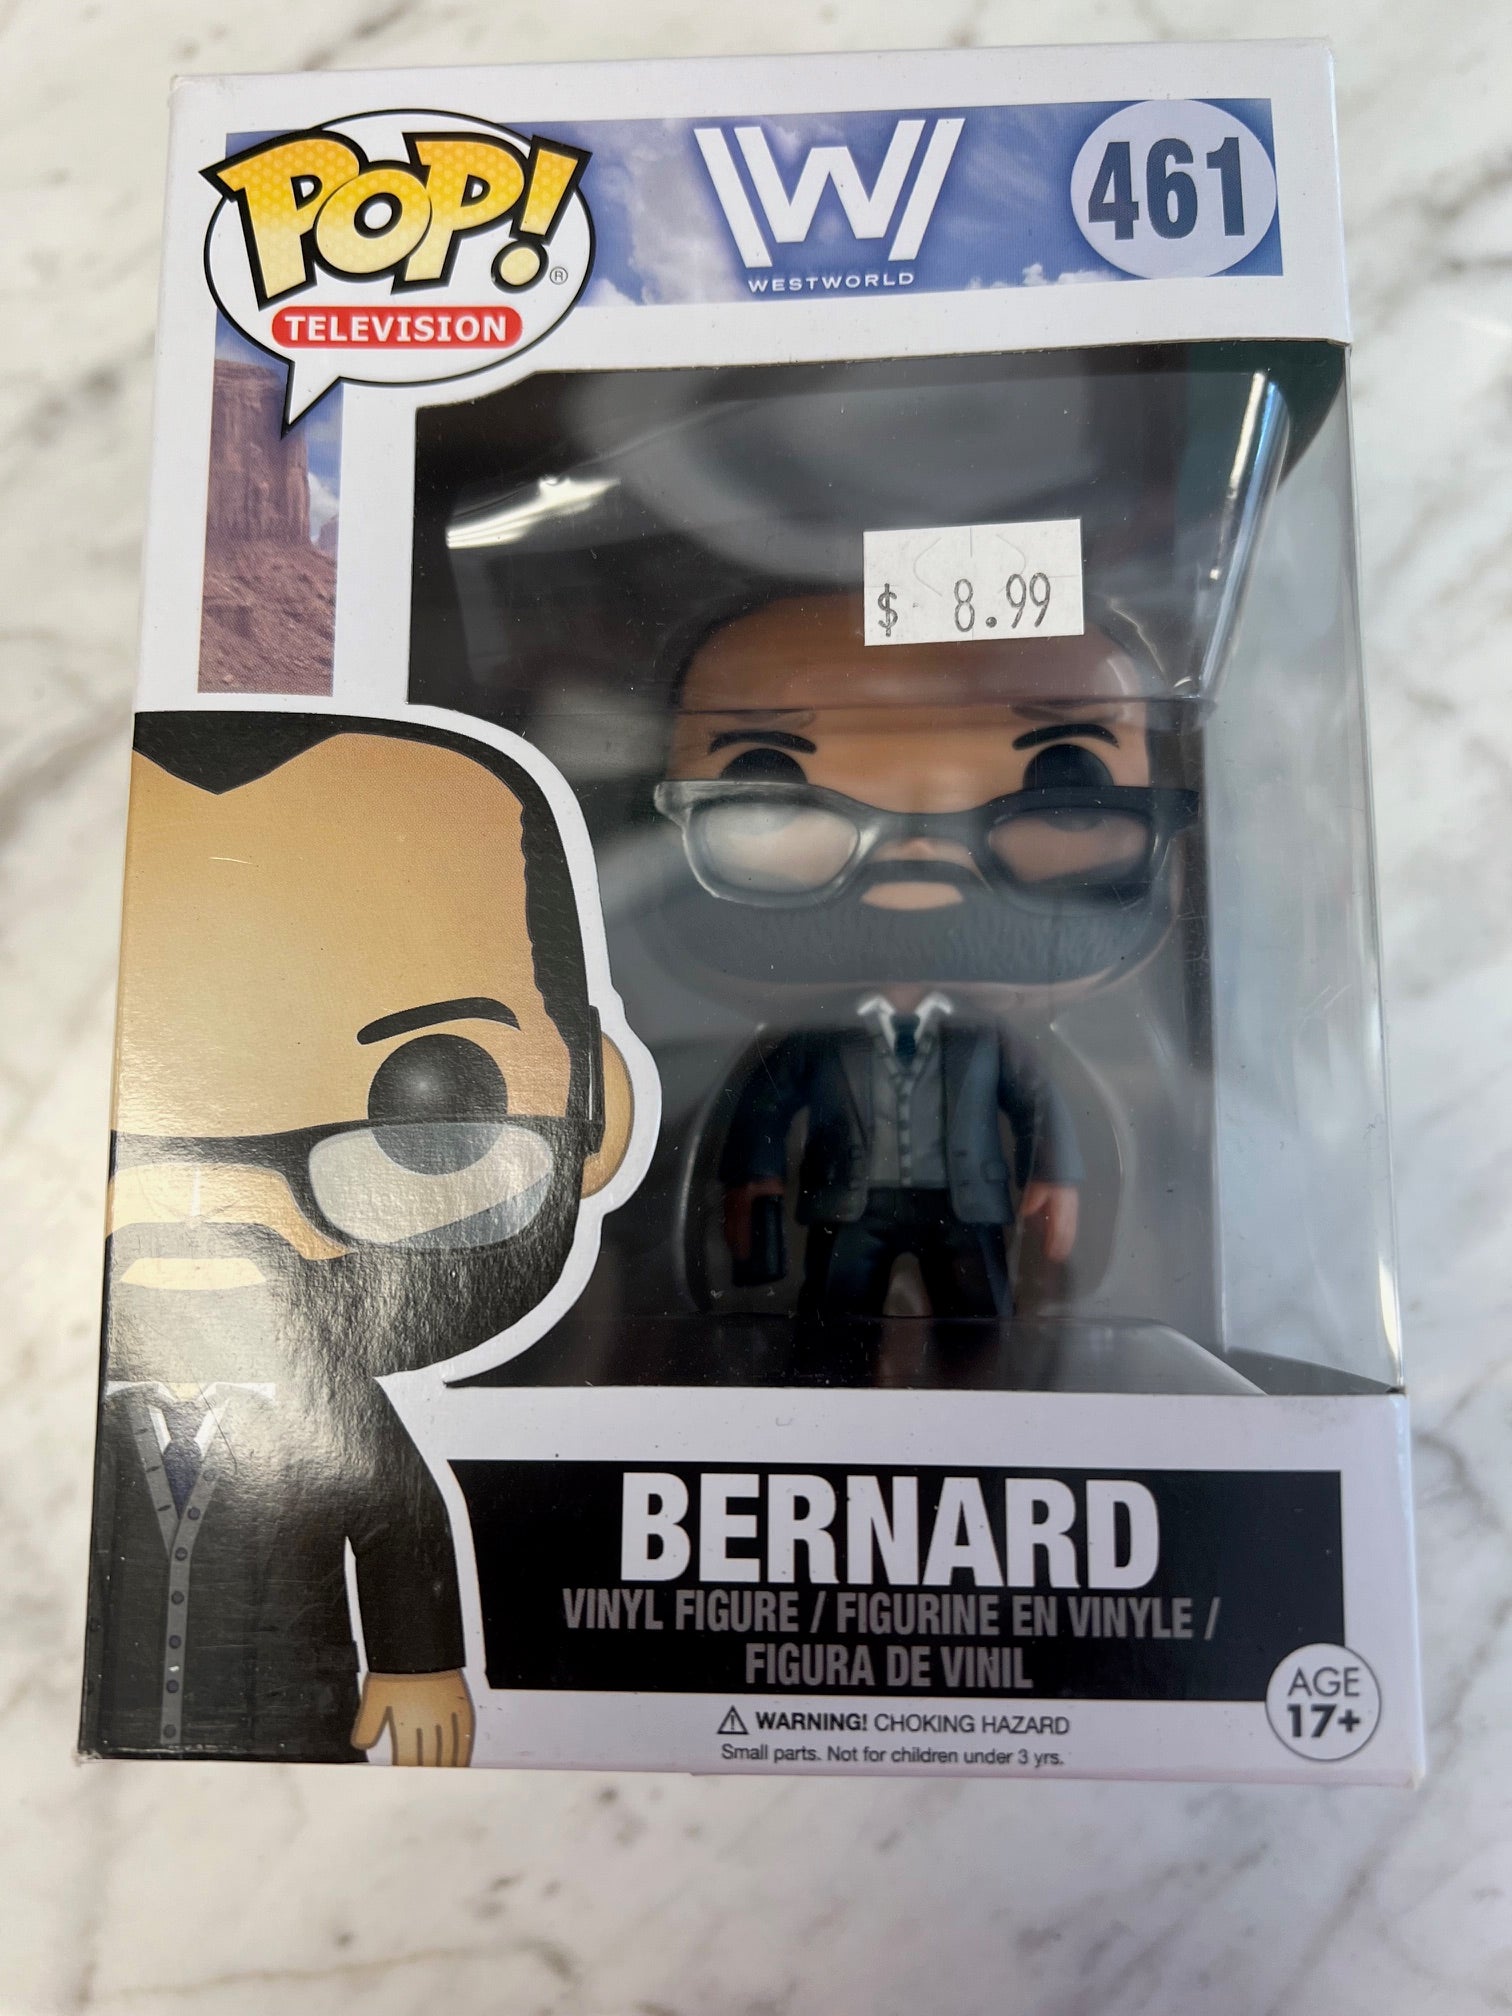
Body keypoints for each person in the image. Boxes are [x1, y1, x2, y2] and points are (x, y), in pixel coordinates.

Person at [83, 712, 638, 1762]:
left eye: (427, 1106)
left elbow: (398, 1524)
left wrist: (415, 1664)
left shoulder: (343, 1412)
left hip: (290, 1708)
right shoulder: (66, 1410)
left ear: (595, 1115)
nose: (224, 1207)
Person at [654, 593, 1195, 1384]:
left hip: (966, 1205)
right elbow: (766, 1105)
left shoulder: (990, 1039)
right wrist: (754, 1180)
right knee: (834, 1323)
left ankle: (986, 1390)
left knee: (979, 1322)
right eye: (766, 775)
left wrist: (1056, 1178)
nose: (916, 872)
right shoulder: (815, 1041)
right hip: (848, 1208)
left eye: (1063, 774)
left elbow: (1036, 1100)